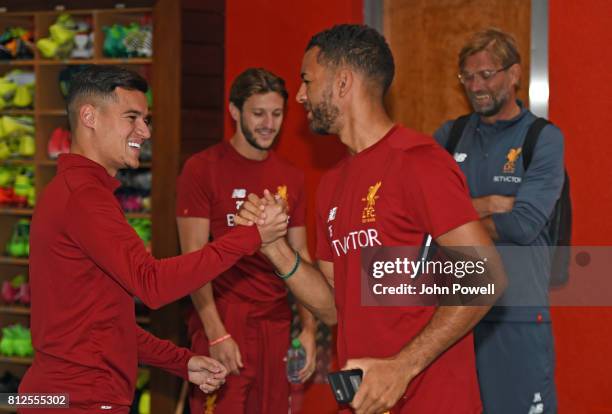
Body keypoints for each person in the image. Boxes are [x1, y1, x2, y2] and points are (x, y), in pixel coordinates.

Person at [237, 25, 506, 414]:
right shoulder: (331, 184)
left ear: (342, 82)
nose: (300, 96)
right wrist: (274, 249)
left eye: (307, 81)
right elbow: (333, 307)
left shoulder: (418, 162)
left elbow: (487, 276)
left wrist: (402, 368)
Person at [19, 65, 287, 413]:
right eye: (132, 117)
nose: (144, 131)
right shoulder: (83, 197)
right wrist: (251, 236)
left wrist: (182, 362)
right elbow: (153, 283)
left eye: (146, 120)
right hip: (77, 400)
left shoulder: (77, 192)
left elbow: (104, 324)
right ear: (89, 116)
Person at [434, 28, 563, 414]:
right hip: (454, 317)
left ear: (515, 74)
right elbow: (423, 216)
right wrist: (490, 203)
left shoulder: (543, 138)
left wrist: (457, 216)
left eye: (486, 74)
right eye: (467, 77)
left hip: (517, 317)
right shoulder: (449, 136)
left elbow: (523, 225)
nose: (476, 86)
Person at [176, 67, 317, 414]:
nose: (269, 123)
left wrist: (310, 330)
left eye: (277, 113)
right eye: (258, 113)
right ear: (235, 112)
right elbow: (192, 260)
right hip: (224, 316)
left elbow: (301, 255)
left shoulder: (292, 177)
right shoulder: (201, 168)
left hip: (276, 321)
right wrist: (215, 333)